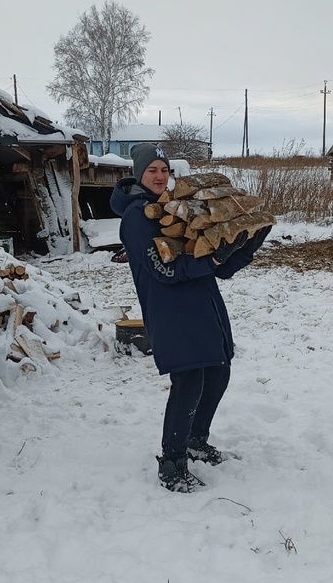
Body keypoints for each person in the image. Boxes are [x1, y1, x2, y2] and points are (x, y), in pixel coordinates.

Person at [110, 143, 270, 492]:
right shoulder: (137, 218)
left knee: (218, 372)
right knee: (189, 382)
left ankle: (197, 439)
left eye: (164, 170)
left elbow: (217, 266)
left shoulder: (173, 208)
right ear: (139, 173)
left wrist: (244, 248)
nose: (160, 176)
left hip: (202, 301)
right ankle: (172, 463)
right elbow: (164, 270)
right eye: (152, 170)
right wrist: (209, 263)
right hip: (170, 309)